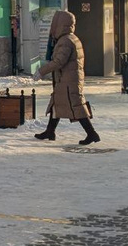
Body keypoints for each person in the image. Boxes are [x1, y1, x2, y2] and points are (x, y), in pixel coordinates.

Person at [33, 9, 100, 145]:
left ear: (60, 25)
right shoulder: (71, 38)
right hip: (67, 79)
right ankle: (50, 131)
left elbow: (59, 62)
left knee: (76, 107)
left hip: (68, 81)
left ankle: (92, 133)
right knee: (56, 104)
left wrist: (41, 71)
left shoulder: (65, 41)